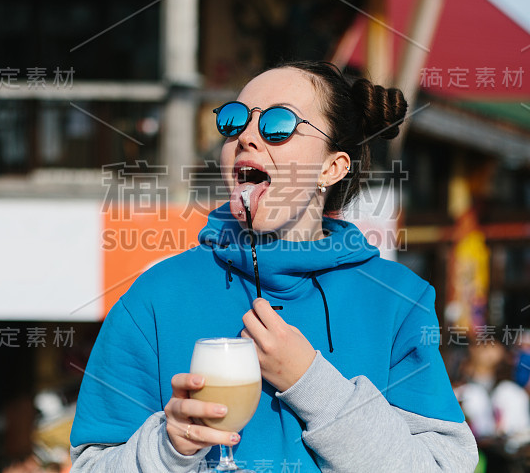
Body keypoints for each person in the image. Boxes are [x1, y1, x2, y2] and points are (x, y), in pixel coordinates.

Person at [69, 61, 478, 472]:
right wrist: (167, 448)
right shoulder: (155, 296)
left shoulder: (397, 299)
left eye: (278, 125)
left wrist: (312, 383)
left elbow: (445, 466)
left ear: (331, 167)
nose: (246, 137)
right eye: (234, 121)